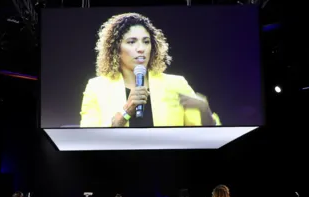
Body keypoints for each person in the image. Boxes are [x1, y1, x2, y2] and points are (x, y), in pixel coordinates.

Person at [79, 12, 221, 128]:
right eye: (131, 42)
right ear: (116, 49)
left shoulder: (176, 84)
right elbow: (87, 139)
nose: (141, 49)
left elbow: (204, 137)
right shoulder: (96, 87)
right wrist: (126, 112)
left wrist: (204, 110)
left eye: (146, 42)